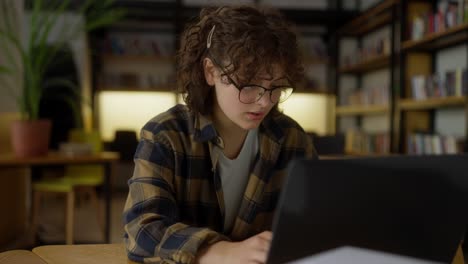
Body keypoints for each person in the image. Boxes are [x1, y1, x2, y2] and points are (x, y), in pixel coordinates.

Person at [123, 5, 317, 264]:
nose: (263, 102)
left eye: (276, 87)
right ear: (210, 71)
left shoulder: (293, 140)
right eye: (248, 85)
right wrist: (216, 251)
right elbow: (141, 230)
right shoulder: (166, 135)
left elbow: (315, 223)